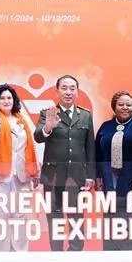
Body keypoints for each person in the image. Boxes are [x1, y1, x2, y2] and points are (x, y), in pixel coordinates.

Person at [34, 75, 95, 251]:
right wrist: (48, 127)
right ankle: (57, 256)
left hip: (76, 177)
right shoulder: (48, 113)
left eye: (72, 88)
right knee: (55, 218)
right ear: (57, 90)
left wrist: (91, 175)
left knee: (76, 217)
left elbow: (90, 147)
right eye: (64, 88)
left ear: (77, 91)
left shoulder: (85, 115)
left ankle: (75, 254)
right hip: (52, 177)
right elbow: (38, 137)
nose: (68, 92)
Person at [0, 84, 39, 251]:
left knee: (21, 217)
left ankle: (20, 254)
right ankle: (1, 257)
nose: (6, 101)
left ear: (14, 100)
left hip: (21, 176)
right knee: (0, 217)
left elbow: (30, 145)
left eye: (9, 98)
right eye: (2, 98)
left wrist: (34, 171)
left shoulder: (22, 119)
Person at [95, 90, 132, 250]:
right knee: (112, 216)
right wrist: (97, 176)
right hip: (110, 179)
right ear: (114, 107)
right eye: (121, 104)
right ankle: (112, 251)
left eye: (129, 104)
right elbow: (97, 153)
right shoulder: (105, 127)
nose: (125, 107)